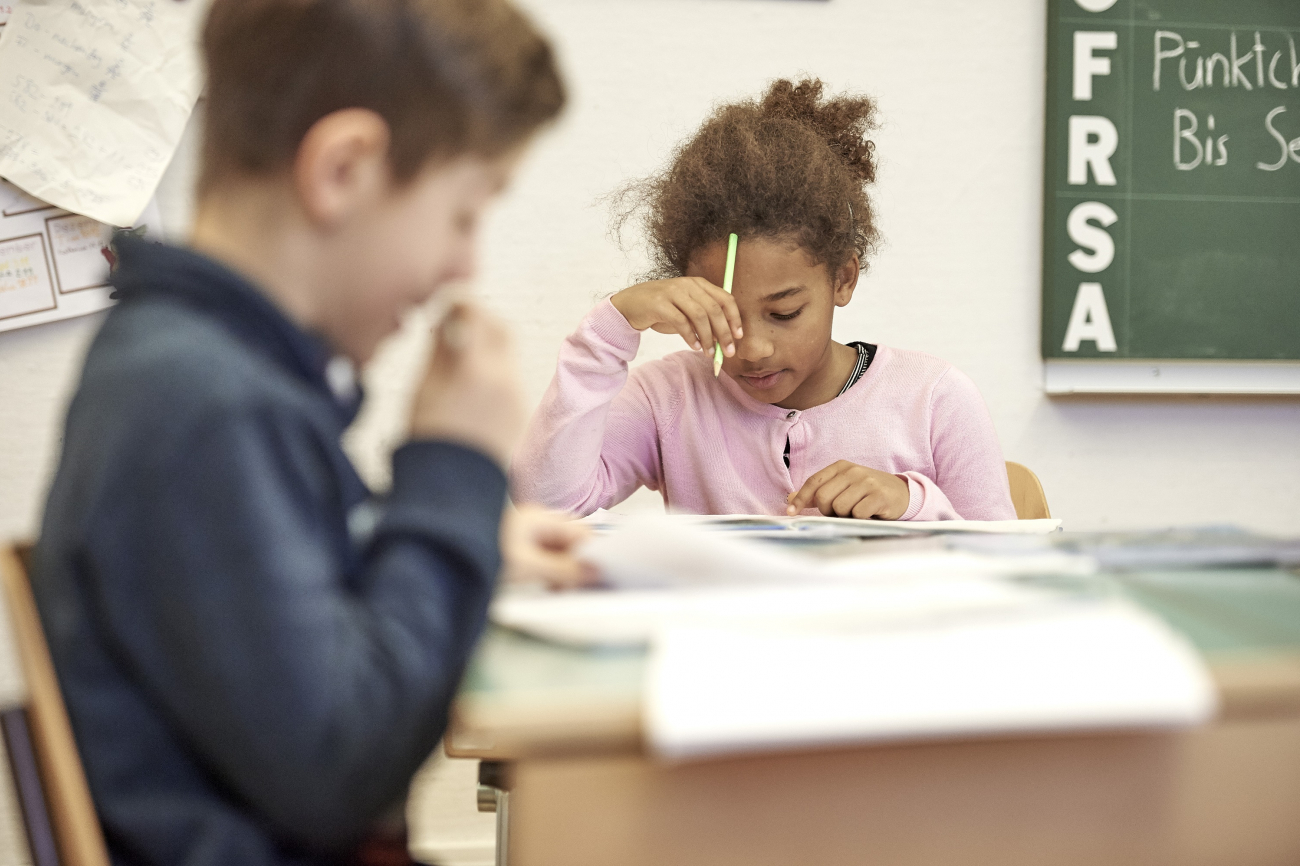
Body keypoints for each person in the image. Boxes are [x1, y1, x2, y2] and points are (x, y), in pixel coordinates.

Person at [31, 1, 583, 864]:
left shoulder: (202, 370)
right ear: (343, 171)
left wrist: (458, 538)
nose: (464, 266)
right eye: (463, 216)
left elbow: (282, 609)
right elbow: (339, 767)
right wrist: (453, 469)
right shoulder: (198, 403)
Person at [513, 79, 1015, 522]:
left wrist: (913, 504)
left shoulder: (934, 400)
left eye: (784, 313)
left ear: (843, 279)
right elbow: (547, 506)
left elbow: (1005, 563)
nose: (752, 349)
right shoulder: (668, 399)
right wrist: (611, 328)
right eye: (721, 315)